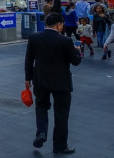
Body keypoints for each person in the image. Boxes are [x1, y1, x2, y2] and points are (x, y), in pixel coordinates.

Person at [25, 13, 81, 154]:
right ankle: (60, 146)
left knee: (41, 106)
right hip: (61, 82)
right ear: (59, 25)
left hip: (40, 80)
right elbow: (75, 62)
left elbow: (29, 59)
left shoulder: (34, 38)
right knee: (61, 113)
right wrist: (78, 51)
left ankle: (41, 133)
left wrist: (28, 78)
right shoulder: (66, 41)